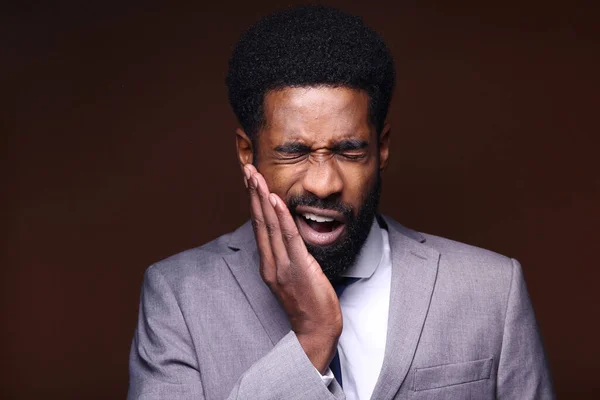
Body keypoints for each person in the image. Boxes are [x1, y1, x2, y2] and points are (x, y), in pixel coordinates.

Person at [127, 5, 553, 399]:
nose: (325, 183)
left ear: (381, 147)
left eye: (349, 151)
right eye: (294, 151)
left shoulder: (492, 290)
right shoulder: (180, 297)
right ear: (246, 152)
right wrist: (312, 341)